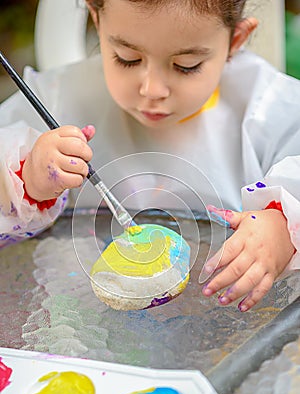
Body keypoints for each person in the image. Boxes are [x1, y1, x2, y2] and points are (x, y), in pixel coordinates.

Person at [0, 0, 299, 312]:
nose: (152, 89)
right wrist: (25, 176)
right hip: (76, 322)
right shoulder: (60, 98)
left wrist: (283, 224)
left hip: (218, 336)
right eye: (127, 59)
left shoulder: (267, 109)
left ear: (234, 40)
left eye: (186, 65)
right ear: (98, 22)